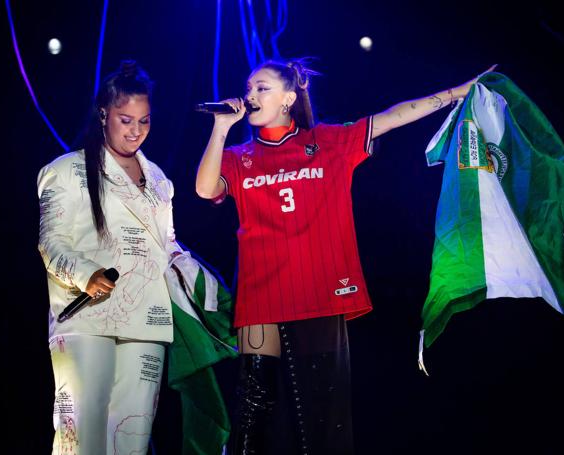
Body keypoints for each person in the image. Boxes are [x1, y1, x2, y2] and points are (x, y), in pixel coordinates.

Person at [195, 58, 494, 454]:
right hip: (262, 294)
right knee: (255, 401)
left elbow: (392, 117)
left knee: (321, 406)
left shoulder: (330, 142)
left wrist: (459, 92)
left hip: (319, 291)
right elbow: (203, 189)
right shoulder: (239, 156)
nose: (250, 95)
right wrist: (220, 128)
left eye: (261, 88)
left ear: (287, 98)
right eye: (249, 88)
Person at [37, 60, 184, 455]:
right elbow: (51, 242)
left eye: (144, 121)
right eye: (125, 120)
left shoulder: (157, 180)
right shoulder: (66, 170)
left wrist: (196, 279)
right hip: (87, 314)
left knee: (131, 437)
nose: (135, 131)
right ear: (104, 114)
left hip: (147, 319)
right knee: (83, 434)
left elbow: (167, 244)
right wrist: (86, 274)